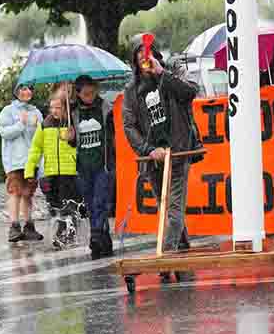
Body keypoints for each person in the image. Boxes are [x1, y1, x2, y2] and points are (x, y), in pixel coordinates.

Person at [123, 34, 202, 274]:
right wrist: (148, 150)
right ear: (134, 63)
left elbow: (190, 92)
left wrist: (161, 74)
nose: (144, 62)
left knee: (174, 207)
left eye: (147, 56)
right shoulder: (132, 89)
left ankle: (166, 257)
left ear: (155, 54)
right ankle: (182, 246)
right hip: (153, 156)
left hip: (179, 150)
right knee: (164, 206)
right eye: (139, 59)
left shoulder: (173, 71)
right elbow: (129, 125)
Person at [25, 94, 80, 249]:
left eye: (58, 107)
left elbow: (79, 145)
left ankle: (65, 234)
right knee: (54, 205)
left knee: (67, 205)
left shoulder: (71, 123)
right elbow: (36, 148)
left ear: (65, 108)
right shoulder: (45, 125)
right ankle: (64, 233)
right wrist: (30, 170)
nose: (55, 111)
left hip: (69, 172)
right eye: (52, 107)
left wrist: (73, 137)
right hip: (50, 172)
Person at [73, 76, 115, 259]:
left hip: (103, 164)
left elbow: (114, 133)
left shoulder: (105, 108)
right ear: (78, 94)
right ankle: (103, 243)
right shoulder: (73, 113)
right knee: (91, 205)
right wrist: (70, 138)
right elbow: (74, 142)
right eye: (85, 94)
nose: (90, 97)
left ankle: (96, 236)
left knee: (101, 203)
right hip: (83, 166)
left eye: (92, 92)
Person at [0, 83, 44, 243]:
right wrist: (21, 124)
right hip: (15, 161)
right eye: (23, 89)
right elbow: (4, 132)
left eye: (29, 89)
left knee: (28, 194)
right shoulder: (8, 111)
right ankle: (14, 227)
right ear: (16, 91)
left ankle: (29, 226)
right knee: (15, 192)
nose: (27, 92)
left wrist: (39, 127)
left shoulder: (36, 112)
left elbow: (41, 136)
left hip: (31, 160)